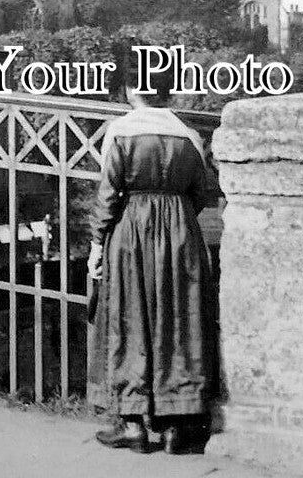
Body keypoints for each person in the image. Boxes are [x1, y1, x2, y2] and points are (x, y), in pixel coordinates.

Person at [86, 49, 222, 455]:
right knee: (178, 319)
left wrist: (97, 243)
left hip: (131, 232)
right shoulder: (189, 135)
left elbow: (108, 194)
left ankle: (133, 426)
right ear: (167, 92)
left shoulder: (121, 132)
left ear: (132, 91)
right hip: (180, 232)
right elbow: (204, 192)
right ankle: (178, 425)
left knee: (130, 319)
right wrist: (174, 214)